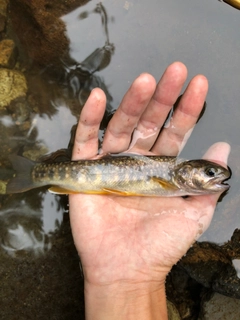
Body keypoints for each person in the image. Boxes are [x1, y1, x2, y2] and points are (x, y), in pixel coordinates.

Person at [69, 62, 230, 320]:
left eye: (211, 174)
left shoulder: (176, 180)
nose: (215, 177)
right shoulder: (175, 181)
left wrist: (133, 283)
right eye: (210, 173)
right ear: (186, 172)